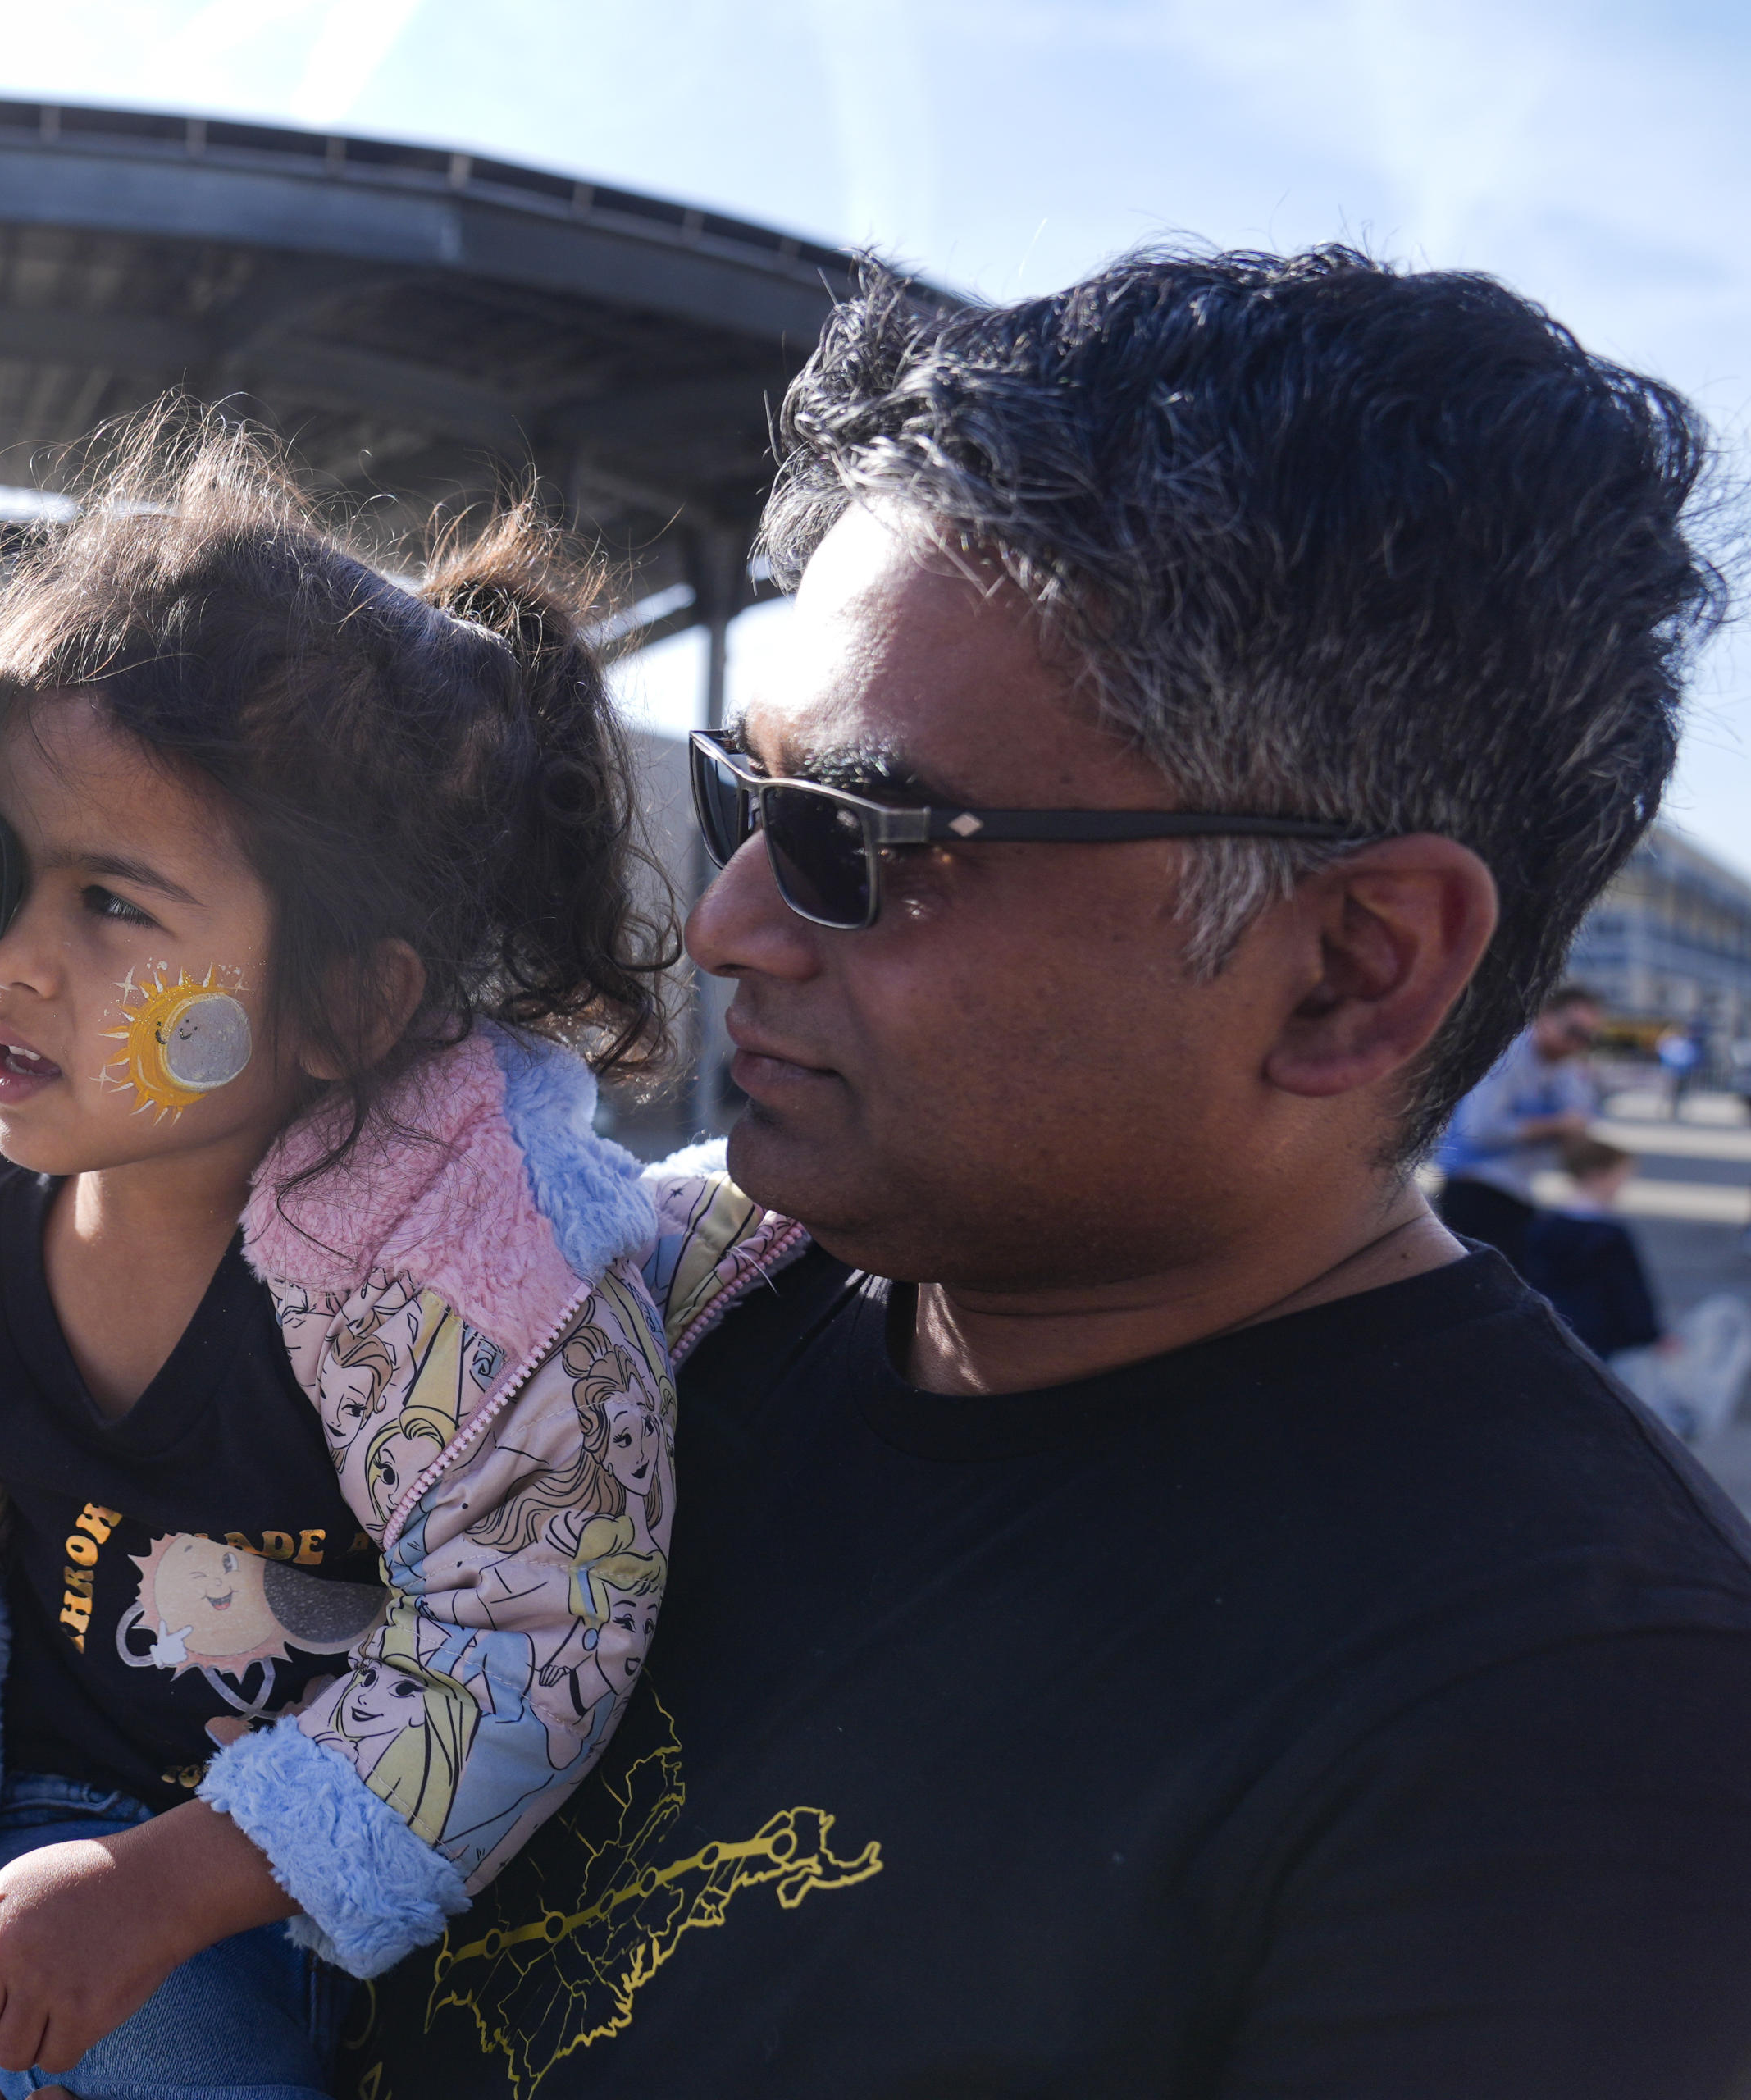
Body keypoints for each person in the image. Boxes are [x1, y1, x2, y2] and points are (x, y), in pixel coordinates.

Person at [345, 248, 1751, 2096]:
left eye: (857, 833)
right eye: (743, 798)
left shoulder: (1565, 1742)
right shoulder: (677, 1304)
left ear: (1351, 966)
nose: (726, 922)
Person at [0, 404, 800, 2099]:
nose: (12, 957)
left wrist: (173, 1883)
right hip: (36, 1849)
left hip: (322, 1869)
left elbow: (530, 1634)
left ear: (347, 1001)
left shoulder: (468, 1290)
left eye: (114, 905)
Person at [1431, 981, 1603, 1262]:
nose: (1578, 1044)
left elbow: (1580, 1120)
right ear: (1545, 1017)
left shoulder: (1564, 1069)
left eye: (1587, 1037)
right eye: (1573, 1031)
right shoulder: (1508, 1057)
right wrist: (1557, 1125)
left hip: (1516, 1192)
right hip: (1475, 1187)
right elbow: (1480, 1129)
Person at [1517, 1137, 1663, 1358]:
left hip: (1551, 1324)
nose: (1623, 1185)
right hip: (1601, 1334)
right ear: (1598, 1176)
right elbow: (1628, 1290)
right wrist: (1650, 1334)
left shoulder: (1544, 1225)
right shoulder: (1609, 1234)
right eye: (1621, 1177)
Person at [1659, 1023, 1702, 1114]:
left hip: (1680, 1071)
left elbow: (1691, 1056)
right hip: (1674, 1070)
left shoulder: (1683, 1043)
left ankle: (1675, 1109)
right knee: (1671, 1091)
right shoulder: (1674, 1043)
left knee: (1678, 1092)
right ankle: (1669, 1109)